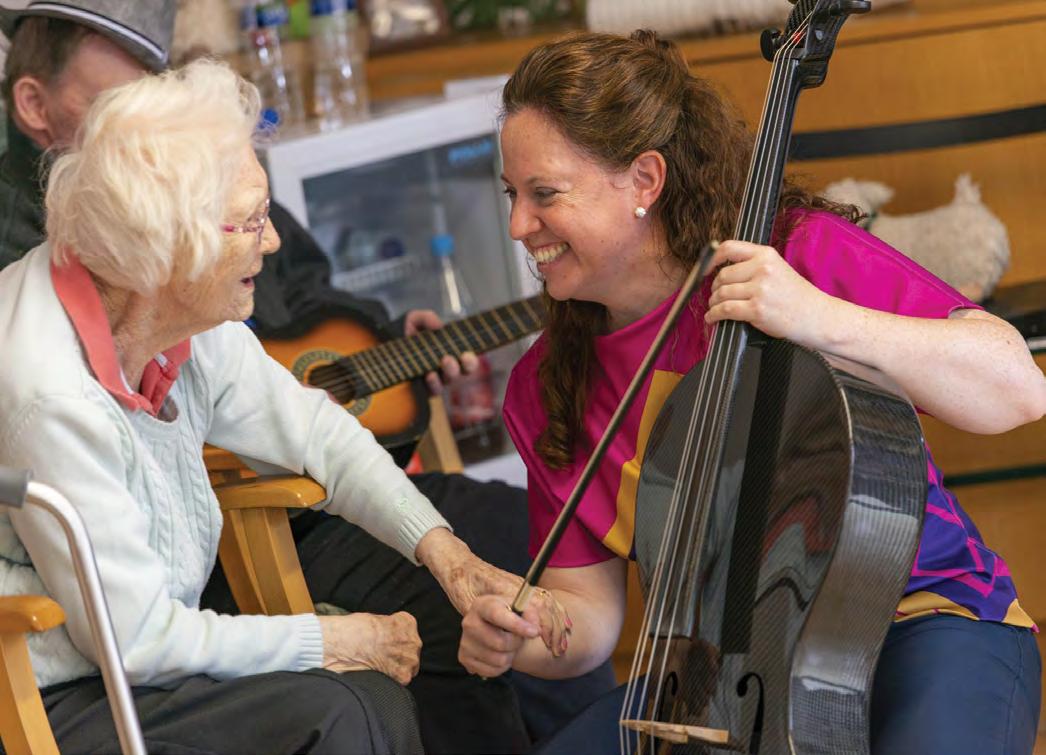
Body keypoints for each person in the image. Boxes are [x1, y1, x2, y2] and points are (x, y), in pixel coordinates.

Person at [0, 2, 615, 749]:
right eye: (252, 219)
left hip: (142, 650)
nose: (271, 242)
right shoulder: (51, 392)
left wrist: (446, 554)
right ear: (172, 247)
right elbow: (136, 641)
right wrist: (331, 639)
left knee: (377, 691)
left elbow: (316, 429)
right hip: (54, 685)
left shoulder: (173, 313)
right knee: (348, 707)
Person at [457, 30, 1046, 755]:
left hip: (920, 621)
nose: (518, 226)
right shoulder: (547, 384)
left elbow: (1018, 388)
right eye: (512, 195)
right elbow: (590, 615)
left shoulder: (792, 256)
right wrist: (525, 632)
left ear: (644, 180)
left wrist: (818, 316)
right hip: (723, 675)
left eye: (544, 194)